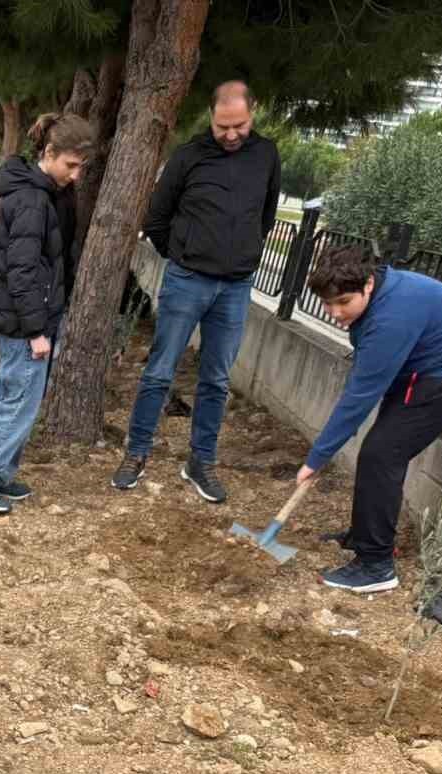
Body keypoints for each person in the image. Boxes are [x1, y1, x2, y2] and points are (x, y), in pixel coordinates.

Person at [294, 244, 442, 594]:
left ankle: (375, 565)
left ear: (368, 285)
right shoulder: (379, 296)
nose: (333, 312)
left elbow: (359, 396)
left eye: (343, 302)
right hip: (422, 364)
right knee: (380, 448)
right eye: (328, 303)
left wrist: (316, 458)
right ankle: (365, 535)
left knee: (382, 452)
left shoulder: (392, 317)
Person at [113, 80, 280, 504]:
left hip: (236, 287)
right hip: (187, 280)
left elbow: (266, 216)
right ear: (211, 116)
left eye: (239, 125)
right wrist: (185, 256)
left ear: (252, 114)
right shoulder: (188, 157)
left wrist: (242, 256)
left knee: (217, 379)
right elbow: (156, 219)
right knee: (160, 370)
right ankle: (136, 453)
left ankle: (200, 463)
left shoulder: (266, 155)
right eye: (223, 126)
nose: (230, 134)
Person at [0, 112, 89, 516]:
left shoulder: (48, 193)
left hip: (31, 317)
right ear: (49, 153)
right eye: (71, 165)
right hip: (25, 322)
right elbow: (23, 271)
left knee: (15, 395)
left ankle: (0, 475)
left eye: (81, 166)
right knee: (18, 401)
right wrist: (36, 331)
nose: (77, 175)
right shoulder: (31, 200)